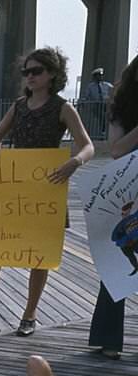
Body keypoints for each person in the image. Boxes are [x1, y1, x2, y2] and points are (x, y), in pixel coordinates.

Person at [0, 47, 94, 337]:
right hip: (12, 190)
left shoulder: (62, 108)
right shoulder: (19, 106)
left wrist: (75, 161)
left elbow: (88, 145)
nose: (30, 76)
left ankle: (29, 314)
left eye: (37, 71)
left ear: (53, 75)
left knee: (39, 256)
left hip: (46, 191)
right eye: (26, 72)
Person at [89, 54, 138, 360]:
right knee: (119, 264)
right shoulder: (122, 107)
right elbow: (117, 149)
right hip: (129, 192)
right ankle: (108, 337)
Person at [81, 67, 113, 139]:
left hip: (106, 105)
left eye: (101, 75)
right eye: (98, 75)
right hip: (97, 105)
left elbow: (114, 90)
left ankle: (105, 133)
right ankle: (102, 132)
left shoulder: (107, 85)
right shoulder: (91, 86)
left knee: (108, 118)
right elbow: (86, 96)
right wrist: (83, 101)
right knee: (101, 117)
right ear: (95, 77)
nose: (100, 77)